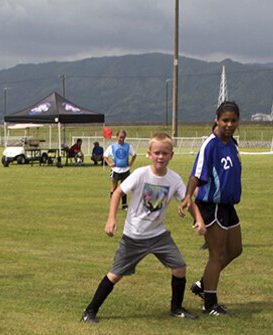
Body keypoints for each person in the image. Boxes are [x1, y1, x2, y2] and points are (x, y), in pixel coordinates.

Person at [82, 133, 206, 323]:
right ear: (149, 154)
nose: (160, 157)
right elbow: (117, 193)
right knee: (115, 275)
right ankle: (90, 311)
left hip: (158, 236)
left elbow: (187, 201)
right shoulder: (140, 174)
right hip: (134, 237)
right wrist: (111, 218)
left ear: (171, 155)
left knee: (179, 267)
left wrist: (199, 219)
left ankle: (176, 308)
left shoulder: (173, 179)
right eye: (157, 153)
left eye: (165, 153)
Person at [181, 101, 243, 316]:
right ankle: (210, 303)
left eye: (233, 120)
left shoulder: (232, 144)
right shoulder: (211, 144)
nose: (229, 124)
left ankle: (202, 284)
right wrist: (188, 196)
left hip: (228, 206)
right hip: (211, 206)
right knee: (216, 254)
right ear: (217, 120)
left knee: (235, 249)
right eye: (225, 120)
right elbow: (196, 174)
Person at [104, 130, 135, 210]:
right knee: (114, 187)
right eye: (120, 137)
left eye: (123, 137)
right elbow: (105, 156)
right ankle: (112, 204)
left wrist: (131, 163)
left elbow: (134, 155)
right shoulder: (112, 146)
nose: (121, 139)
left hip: (125, 170)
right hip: (115, 170)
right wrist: (110, 163)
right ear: (117, 137)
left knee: (124, 187)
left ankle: (124, 204)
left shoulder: (128, 146)